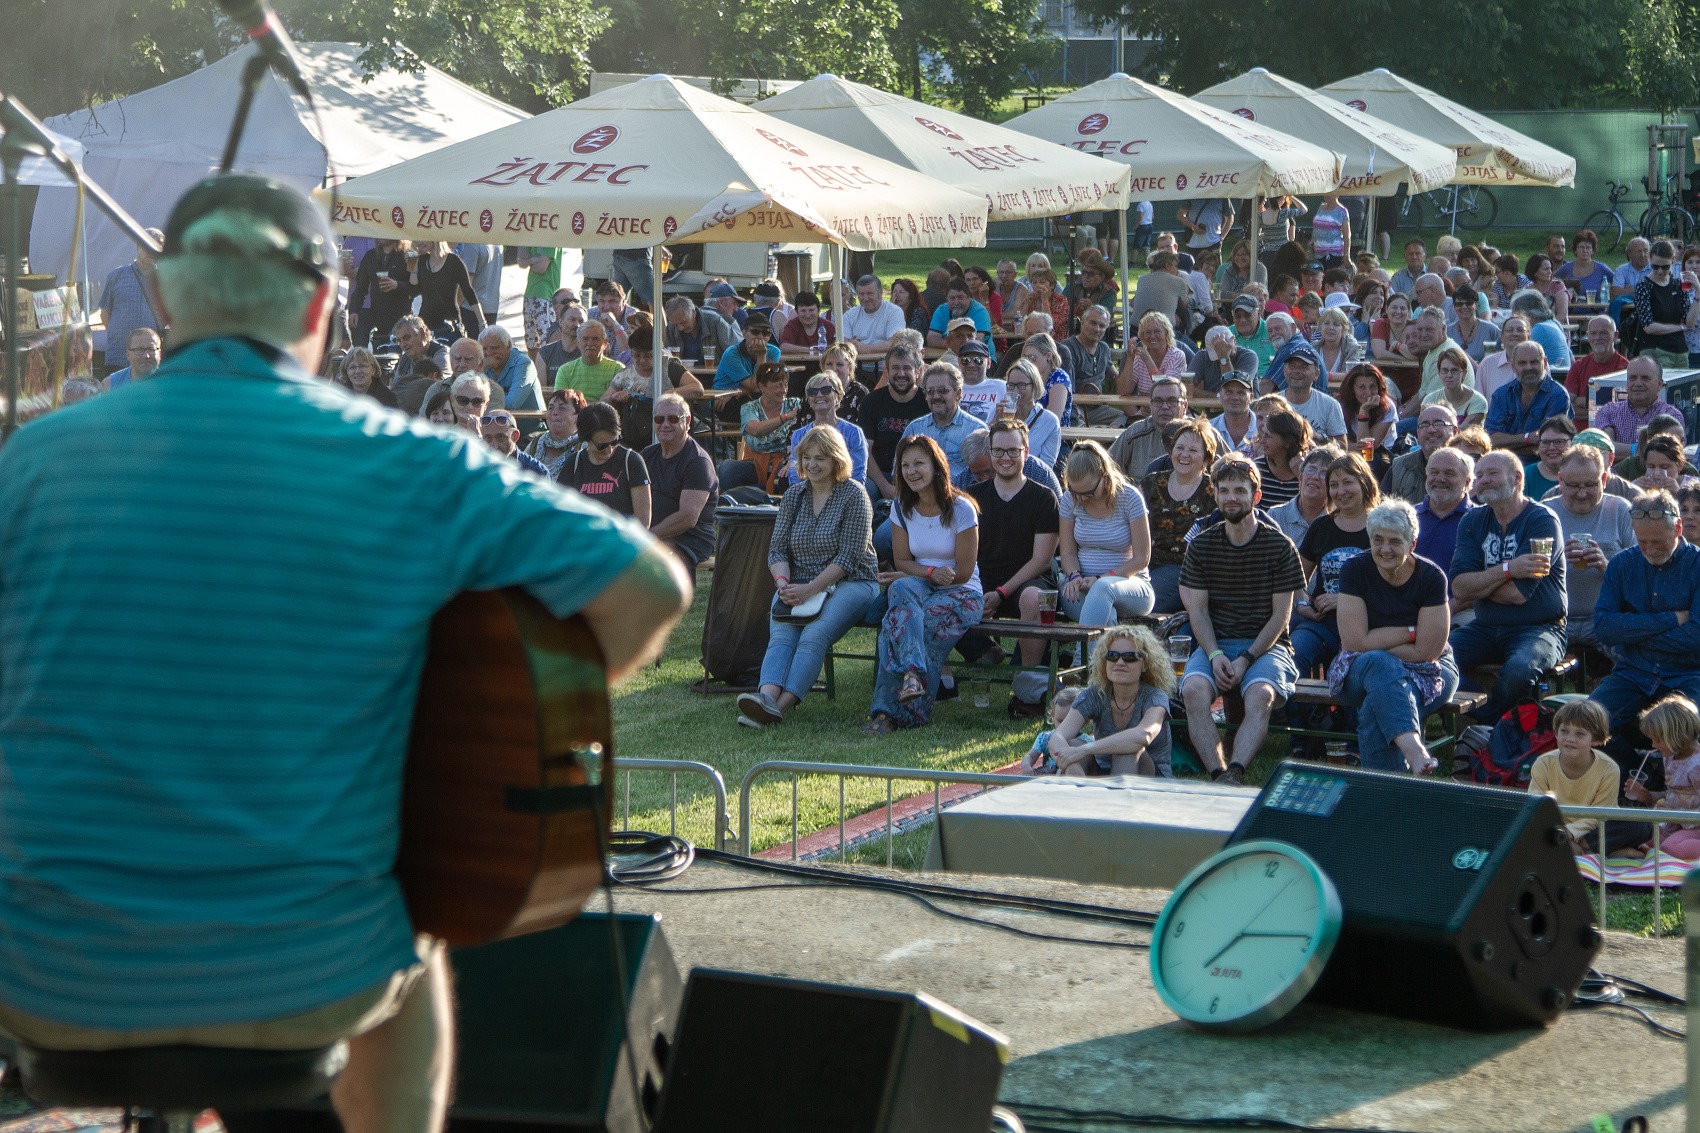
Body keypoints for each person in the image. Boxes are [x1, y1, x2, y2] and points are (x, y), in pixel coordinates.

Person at [0, 174, 691, 1133]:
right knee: (416, 956)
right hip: (306, 977)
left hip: (43, 977)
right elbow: (652, 588)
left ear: (158, 298)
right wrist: (478, 724)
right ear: (325, 303)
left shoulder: (27, 463)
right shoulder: (412, 463)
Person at [738, 428, 880, 730]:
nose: (812, 464)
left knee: (814, 634)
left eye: (821, 458)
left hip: (851, 581)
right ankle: (765, 698)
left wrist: (812, 589)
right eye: (807, 458)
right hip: (796, 581)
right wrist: (783, 584)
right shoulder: (793, 495)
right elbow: (776, 549)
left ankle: (778, 708)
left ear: (836, 459)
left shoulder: (855, 494)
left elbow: (848, 557)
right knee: (781, 634)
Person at [1178, 455, 1306, 785]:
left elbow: (1282, 616)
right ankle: (1219, 772)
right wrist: (1215, 654)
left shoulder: (1280, 546)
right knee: (1192, 691)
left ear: (1256, 495)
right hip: (1215, 643)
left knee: (1260, 695)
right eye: (1224, 490)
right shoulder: (1201, 545)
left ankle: (1237, 770)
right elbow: (1199, 611)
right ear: (1215, 495)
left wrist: (1247, 658)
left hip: (1267, 646)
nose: (1231, 497)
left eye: (1240, 490)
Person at [867, 435, 983, 733]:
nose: (911, 471)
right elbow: (903, 562)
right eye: (905, 465)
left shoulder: (962, 509)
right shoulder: (901, 509)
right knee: (899, 590)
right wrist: (930, 573)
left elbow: (966, 570)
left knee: (901, 626)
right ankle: (912, 676)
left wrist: (934, 575)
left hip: (962, 592)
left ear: (936, 466)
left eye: (919, 463)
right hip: (922, 584)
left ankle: (893, 715)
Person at [1334, 499, 1456, 774]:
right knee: (1378, 663)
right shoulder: (1355, 569)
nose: (1385, 549)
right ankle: (1415, 753)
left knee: (1374, 707)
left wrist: (1375, 642)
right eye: (1378, 540)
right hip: (1359, 669)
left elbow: (1427, 652)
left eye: (1394, 542)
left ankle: (1384, 798)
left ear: (1412, 544)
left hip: (1430, 671)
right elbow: (1354, 644)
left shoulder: (1431, 577)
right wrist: (1412, 632)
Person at [1449, 452, 1567, 721]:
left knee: (1519, 671)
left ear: (1517, 478)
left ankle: (1494, 727)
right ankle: (1489, 718)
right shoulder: (1472, 521)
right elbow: (1459, 589)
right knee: (1435, 659)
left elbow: (1517, 594)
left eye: (1491, 473)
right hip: (1485, 625)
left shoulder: (1541, 521)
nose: (1483, 480)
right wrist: (1508, 570)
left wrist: (1480, 583)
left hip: (1540, 627)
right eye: (1479, 476)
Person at [1593, 493, 1700, 770]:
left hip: (1688, 672)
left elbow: (1695, 636)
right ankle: (1636, 776)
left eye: (1657, 542)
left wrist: (1633, 631)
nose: (1650, 549)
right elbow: (1604, 629)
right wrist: (1671, 619)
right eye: (1642, 542)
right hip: (1633, 671)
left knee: (1692, 727)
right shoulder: (1622, 563)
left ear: (1677, 529)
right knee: (1588, 725)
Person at [967, 419, 1061, 674]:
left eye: (1013, 451)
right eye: (998, 451)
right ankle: (949, 674)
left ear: (1026, 452)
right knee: (945, 594)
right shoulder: (972, 497)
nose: (1005, 457)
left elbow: (1041, 560)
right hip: (984, 579)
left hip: (1029, 581)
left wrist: (1001, 593)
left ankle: (1028, 681)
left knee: (1034, 598)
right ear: (990, 453)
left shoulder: (1043, 497)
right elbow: (964, 551)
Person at [1291, 452, 1378, 697]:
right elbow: (1296, 576)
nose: (1341, 491)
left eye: (1348, 482)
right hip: (1322, 624)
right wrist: (1301, 603)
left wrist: (1346, 600)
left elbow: (1394, 585)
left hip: (1368, 627)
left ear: (1364, 483)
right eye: (1334, 485)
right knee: (1293, 654)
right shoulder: (1322, 527)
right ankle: (1304, 729)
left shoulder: (1381, 527)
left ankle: (1348, 730)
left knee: (1355, 672)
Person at [1046, 628, 1177, 777]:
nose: (1120, 662)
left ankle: (1116, 800)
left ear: (1145, 664)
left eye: (1130, 657)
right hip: (1104, 773)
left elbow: (1143, 735)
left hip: (1152, 780)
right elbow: (1057, 737)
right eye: (1112, 655)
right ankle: (1078, 796)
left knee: (1127, 750)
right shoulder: (1095, 694)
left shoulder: (1155, 697)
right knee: (1072, 745)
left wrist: (1086, 749)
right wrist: (1070, 764)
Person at [1059, 441, 1155, 625]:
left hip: (1130, 584)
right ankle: (1097, 654)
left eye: (1087, 492)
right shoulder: (1069, 500)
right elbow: (1068, 552)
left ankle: (1083, 655)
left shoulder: (1130, 498)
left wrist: (1100, 579)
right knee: (1106, 615)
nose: (1080, 498)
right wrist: (1075, 576)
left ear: (1104, 477)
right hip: (1081, 585)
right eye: (1073, 491)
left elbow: (1142, 558)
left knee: (1102, 589)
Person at [1547, 444, 1633, 650]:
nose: (1582, 493)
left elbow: (1641, 573)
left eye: (1590, 485)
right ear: (1560, 481)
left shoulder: (1621, 510)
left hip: (1606, 617)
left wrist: (1607, 566)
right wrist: (1557, 561)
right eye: (1574, 486)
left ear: (1604, 479)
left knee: (1631, 658)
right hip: (1555, 620)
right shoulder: (1545, 513)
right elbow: (1528, 574)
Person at [1144, 419, 1220, 613]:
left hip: (1186, 571)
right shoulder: (1151, 483)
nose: (1184, 455)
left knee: (1149, 605)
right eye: (1180, 448)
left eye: (1193, 450)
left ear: (1206, 458)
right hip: (1143, 565)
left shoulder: (1214, 491)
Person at [1529, 700, 1626, 850]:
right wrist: (1559, 831)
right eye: (1564, 731)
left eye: (1580, 734)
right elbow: (1536, 807)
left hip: (1591, 830)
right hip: (1553, 828)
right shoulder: (1544, 764)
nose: (1570, 739)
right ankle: (1598, 851)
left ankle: (1579, 847)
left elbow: (1600, 815)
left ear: (1595, 739)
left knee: (1640, 826)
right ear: (1556, 732)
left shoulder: (1609, 769)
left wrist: (1570, 834)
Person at [642, 393, 717, 568]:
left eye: (673, 419)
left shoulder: (698, 462)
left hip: (690, 539)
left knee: (652, 560)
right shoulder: (646, 455)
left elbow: (687, 518)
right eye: (659, 419)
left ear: (688, 422)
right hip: (650, 534)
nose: (665, 424)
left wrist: (646, 537)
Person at [1622, 695, 1700, 859]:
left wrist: (1674, 814)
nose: (1653, 745)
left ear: (1676, 736)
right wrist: (1648, 796)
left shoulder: (1696, 766)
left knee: (1670, 848)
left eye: (1658, 740)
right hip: (1675, 825)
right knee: (1639, 837)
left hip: (1695, 827)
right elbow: (1674, 795)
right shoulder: (1671, 757)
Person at [559, 402, 651, 525]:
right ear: (585, 439)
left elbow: (643, 521)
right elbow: (560, 512)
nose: (610, 450)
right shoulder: (574, 463)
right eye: (602, 446)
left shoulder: (631, 461)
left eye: (615, 442)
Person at [859, 342, 929, 501]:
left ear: (917, 372)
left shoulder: (927, 402)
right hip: (878, 475)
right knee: (861, 491)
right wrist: (885, 487)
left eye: (907, 368)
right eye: (896, 368)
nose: (901, 373)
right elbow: (865, 451)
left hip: (917, 473)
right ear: (887, 370)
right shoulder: (871, 401)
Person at [717, 362, 798, 494]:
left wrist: (792, 460)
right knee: (727, 468)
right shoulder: (749, 408)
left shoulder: (795, 403)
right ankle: (732, 508)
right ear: (762, 387)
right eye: (777, 385)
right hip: (755, 464)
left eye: (785, 384)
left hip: (785, 462)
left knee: (789, 471)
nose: (783, 390)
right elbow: (756, 430)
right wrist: (786, 417)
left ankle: (768, 501)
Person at [1485, 342, 1571, 458]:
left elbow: (1547, 446)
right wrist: (1528, 438)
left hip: (1542, 465)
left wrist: (1507, 444)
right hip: (1504, 464)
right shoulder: (1501, 395)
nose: (1529, 367)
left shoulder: (1558, 395)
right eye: (1522, 363)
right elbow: (1491, 440)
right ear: (1513, 366)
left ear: (1545, 363)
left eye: (1534, 362)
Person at [903, 362, 987, 480]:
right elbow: (900, 470)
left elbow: (984, 477)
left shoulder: (976, 429)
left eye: (943, 391)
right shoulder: (914, 429)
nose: (936, 396)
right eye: (930, 391)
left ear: (958, 393)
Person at [787, 370, 869, 486]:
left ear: (839, 397)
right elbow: (796, 476)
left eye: (826, 390)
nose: (819, 395)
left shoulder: (854, 432)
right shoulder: (799, 435)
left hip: (845, 495)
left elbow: (858, 475)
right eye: (813, 392)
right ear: (809, 400)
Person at [1414, 446, 1476, 594]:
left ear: (1467, 483)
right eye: (1434, 472)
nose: (1440, 479)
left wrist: (1446, 610)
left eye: (1450, 473)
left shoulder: (1480, 519)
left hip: (1460, 608)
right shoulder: (1406, 517)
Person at [1596, 355, 1680, 460]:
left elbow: (1666, 455)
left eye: (1645, 378)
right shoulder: (1607, 411)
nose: (1638, 383)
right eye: (1633, 378)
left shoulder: (1671, 415)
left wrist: (1618, 448)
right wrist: (1641, 449)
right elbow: (1603, 450)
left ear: (1659, 384)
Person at [1631, 241, 1698, 370]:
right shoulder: (1644, 286)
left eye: (1665, 267)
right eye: (1655, 266)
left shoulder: (1678, 284)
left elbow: (1689, 322)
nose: (1660, 271)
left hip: (1680, 351)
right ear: (1650, 259)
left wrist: (1698, 292)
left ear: (1673, 261)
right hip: (1655, 351)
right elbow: (1648, 326)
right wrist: (1678, 327)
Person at [1109, 376, 1192, 478]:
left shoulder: (1200, 435)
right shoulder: (1134, 435)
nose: (1165, 407)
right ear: (1151, 406)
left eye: (1172, 401)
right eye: (1158, 401)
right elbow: (1107, 468)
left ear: (1185, 406)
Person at [407, 242, 481, 341]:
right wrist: (413, 269)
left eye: (424, 237)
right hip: (425, 326)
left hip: (448, 326)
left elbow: (468, 292)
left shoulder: (453, 261)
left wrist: (482, 322)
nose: (420, 242)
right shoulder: (422, 260)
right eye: (418, 239)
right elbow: (413, 292)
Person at [1061, 305, 1120, 426]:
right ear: (1082, 323)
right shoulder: (1068, 348)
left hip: (1098, 409)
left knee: (1127, 420)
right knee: (1079, 427)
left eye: (1102, 326)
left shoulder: (1104, 348)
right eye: (1093, 323)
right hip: (1075, 406)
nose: (1097, 329)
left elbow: (1115, 375)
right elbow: (1066, 388)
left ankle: (1104, 439)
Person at [1271, 445, 1338, 549]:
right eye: (1311, 469)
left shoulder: (1337, 520)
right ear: (1301, 477)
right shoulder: (1275, 516)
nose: (1315, 477)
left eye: (1324, 473)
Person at [1567, 316, 1628, 425]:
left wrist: (1583, 402)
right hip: (1580, 436)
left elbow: (1623, 411)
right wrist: (1603, 406)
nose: (1598, 337)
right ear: (1588, 336)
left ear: (1615, 336)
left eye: (1604, 333)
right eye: (1593, 333)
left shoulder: (1626, 369)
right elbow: (1568, 407)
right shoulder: (1578, 366)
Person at [1003, 359, 1062, 469]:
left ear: (1034, 386)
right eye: (1011, 385)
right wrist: (996, 423)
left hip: (1032, 481)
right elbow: (987, 455)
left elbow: (1046, 467)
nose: (1015, 391)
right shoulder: (1000, 414)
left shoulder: (1049, 421)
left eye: (1021, 385)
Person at [1118, 312, 1187, 397]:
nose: (1152, 336)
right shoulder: (1139, 357)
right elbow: (1123, 391)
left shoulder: (1177, 356)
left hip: (1170, 408)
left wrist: (1148, 360)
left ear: (1166, 334)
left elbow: (1165, 391)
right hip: (1145, 409)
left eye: (1157, 331)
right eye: (1148, 332)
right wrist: (1130, 358)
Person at [553, 320, 625, 402]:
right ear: (578, 343)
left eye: (595, 339)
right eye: (585, 339)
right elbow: (560, 403)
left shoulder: (617, 369)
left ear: (605, 343)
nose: (590, 343)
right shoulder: (565, 370)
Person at [1420, 344, 1487, 430]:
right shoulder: (1429, 400)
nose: (1449, 375)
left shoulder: (1478, 401)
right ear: (1439, 373)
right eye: (1445, 370)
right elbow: (1424, 429)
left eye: (1454, 370)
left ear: (1464, 373)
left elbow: (1464, 432)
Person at [476, 325, 541, 412]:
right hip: (492, 422)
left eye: (494, 348)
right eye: (484, 349)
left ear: (508, 345)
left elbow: (512, 404)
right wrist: (480, 368)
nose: (489, 353)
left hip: (526, 422)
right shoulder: (483, 366)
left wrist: (479, 402)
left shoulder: (523, 363)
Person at [1254, 408, 1311, 507]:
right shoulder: (1257, 468)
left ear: (1287, 442)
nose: (1262, 441)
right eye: (1263, 434)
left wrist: (1300, 475)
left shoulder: (1308, 469)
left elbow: (1313, 506)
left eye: (1268, 436)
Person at [1338, 362, 1397, 458]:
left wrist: (1364, 411)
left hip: (1381, 456)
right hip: (1348, 454)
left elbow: (1367, 449)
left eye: (1372, 387)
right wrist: (1347, 446)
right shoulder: (1340, 404)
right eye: (1362, 387)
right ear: (1352, 389)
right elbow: (1334, 442)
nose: (1369, 393)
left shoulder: (1387, 407)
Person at [712, 315, 781, 396]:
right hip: (724, 396)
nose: (760, 337)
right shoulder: (732, 354)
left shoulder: (774, 351)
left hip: (743, 394)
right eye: (755, 332)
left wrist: (743, 391)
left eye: (766, 333)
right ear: (744, 333)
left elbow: (765, 385)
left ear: (769, 336)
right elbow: (755, 388)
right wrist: (761, 356)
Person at [1021, 685, 1083, 774]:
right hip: (1047, 779)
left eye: (1068, 721)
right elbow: (1030, 756)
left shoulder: (1084, 741)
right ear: (1053, 715)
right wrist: (1026, 766)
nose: (1063, 725)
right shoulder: (1045, 738)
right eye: (1059, 721)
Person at [518, 246, 561, 371]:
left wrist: (529, 261)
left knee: (546, 339)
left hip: (545, 295)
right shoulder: (533, 239)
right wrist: (534, 260)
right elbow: (521, 262)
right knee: (531, 341)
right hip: (530, 294)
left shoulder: (550, 239)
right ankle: (535, 372)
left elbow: (541, 268)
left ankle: (549, 372)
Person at [662, 295, 737, 366]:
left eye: (683, 322)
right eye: (676, 325)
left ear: (693, 312)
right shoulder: (671, 328)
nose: (680, 328)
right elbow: (667, 359)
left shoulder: (714, 322)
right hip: (685, 377)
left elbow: (736, 352)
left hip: (716, 376)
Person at [527, 387, 587, 476]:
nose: (554, 412)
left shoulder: (585, 447)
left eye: (562, 408)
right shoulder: (535, 443)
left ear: (578, 416)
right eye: (550, 408)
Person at [1509, 288, 1573, 370]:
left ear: (1527, 314)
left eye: (1516, 315)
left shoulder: (1539, 329)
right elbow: (1571, 357)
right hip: (1560, 375)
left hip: (1551, 376)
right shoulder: (1554, 323)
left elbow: (1519, 356)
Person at [1132, 251, 1193, 335]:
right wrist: (1185, 290)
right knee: (1187, 310)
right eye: (1175, 266)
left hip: (1135, 329)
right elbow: (1183, 305)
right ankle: (1188, 335)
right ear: (1167, 265)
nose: (1177, 271)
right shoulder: (1178, 281)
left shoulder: (1142, 279)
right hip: (1162, 331)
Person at [843, 275, 906, 355]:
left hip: (884, 366)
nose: (865, 298)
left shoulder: (894, 312)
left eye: (870, 294)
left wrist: (864, 348)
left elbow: (894, 343)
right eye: (861, 294)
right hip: (855, 365)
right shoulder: (849, 315)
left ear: (880, 292)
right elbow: (843, 344)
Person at [478, 409, 551, 477]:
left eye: (500, 438)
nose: (494, 445)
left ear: (515, 436)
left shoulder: (537, 473)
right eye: (488, 438)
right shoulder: (476, 469)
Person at [1522, 414, 1578, 502]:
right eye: (1545, 442)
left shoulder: (1582, 475)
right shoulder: (1525, 476)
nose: (1551, 448)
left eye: (1559, 442)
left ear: (1573, 443)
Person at [1475, 314, 1527, 401]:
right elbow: (1478, 402)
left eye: (1520, 330)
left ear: (1528, 336)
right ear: (1502, 337)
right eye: (1510, 330)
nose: (1515, 334)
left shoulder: (1537, 362)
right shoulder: (1487, 364)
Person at [1194, 325, 1258, 395]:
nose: (1219, 359)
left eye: (1227, 350)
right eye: (1217, 355)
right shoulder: (1202, 356)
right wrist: (1217, 396)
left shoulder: (1249, 357)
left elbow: (1235, 390)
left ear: (1234, 340)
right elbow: (1187, 388)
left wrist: (1224, 356)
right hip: (1213, 405)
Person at [1210, 372, 1257, 455]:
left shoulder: (1263, 428)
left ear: (1251, 397)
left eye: (1241, 393)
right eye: (1229, 392)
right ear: (1220, 396)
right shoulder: (1209, 429)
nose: (1235, 397)